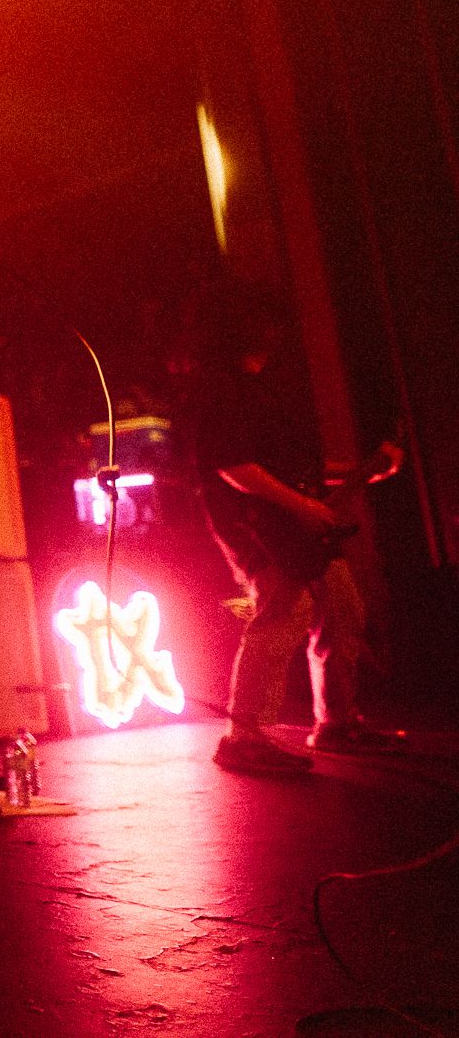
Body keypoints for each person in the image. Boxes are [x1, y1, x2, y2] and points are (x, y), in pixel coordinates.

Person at [187, 284, 403, 776]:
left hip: (287, 518)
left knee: (341, 608)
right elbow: (232, 466)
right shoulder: (220, 386)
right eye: (264, 323)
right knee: (284, 610)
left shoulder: (258, 386)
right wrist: (302, 505)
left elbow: (285, 466)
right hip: (255, 524)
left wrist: (361, 473)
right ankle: (243, 736)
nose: (274, 333)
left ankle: (336, 723)